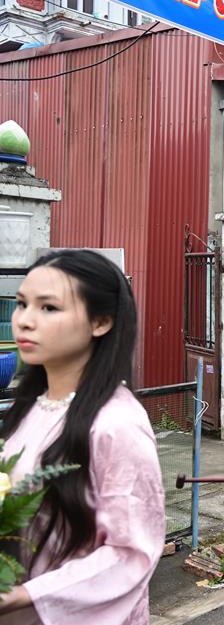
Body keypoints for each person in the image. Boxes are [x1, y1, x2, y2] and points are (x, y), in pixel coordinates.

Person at [0, 250, 164, 624]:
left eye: (48, 308)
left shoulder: (116, 424)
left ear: (101, 321)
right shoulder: (28, 408)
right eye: (22, 304)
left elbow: (131, 554)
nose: (24, 321)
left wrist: (26, 595)